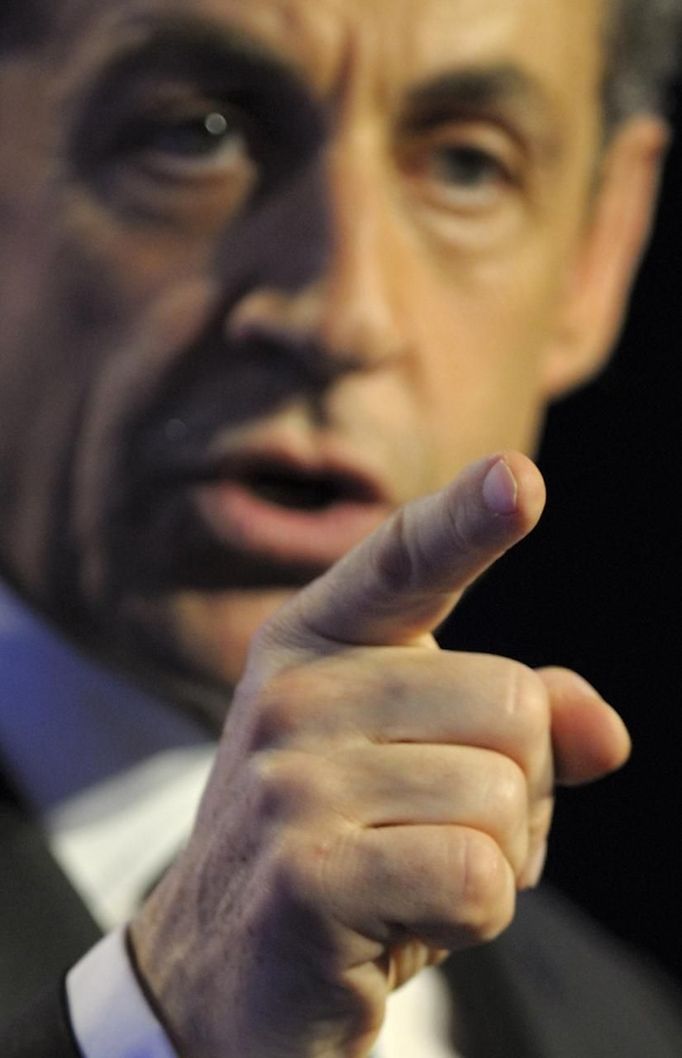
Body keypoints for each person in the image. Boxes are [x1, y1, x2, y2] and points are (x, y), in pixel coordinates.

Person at [1, 0, 682, 1055]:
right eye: (199, 134)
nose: (341, 313)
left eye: (465, 165)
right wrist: (156, 1026)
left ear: (597, 253)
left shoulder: (626, 1028)